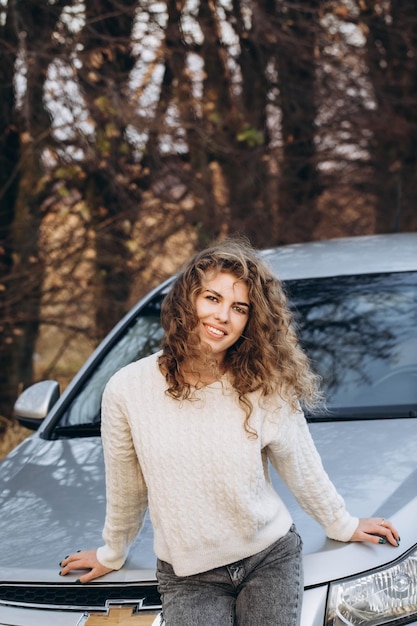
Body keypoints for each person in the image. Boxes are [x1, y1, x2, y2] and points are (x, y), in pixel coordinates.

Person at [60, 237, 400, 626]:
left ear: (251, 322)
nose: (223, 316)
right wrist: (112, 552)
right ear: (187, 300)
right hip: (190, 575)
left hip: (269, 557)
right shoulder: (127, 389)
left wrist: (342, 523)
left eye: (239, 308)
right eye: (212, 298)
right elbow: (127, 484)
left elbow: (300, 465)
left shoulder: (264, 382)